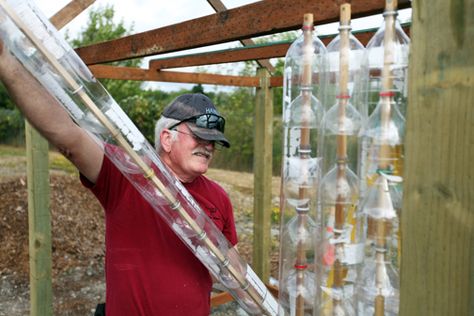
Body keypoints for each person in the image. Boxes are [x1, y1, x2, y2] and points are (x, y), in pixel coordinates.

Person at [0, 40, 238, 315]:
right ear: (167, 138)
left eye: (214, 142)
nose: (208, 147)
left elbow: (231, 268)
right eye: (200, 137)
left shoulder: (218, 197)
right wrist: (6, 63)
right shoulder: (128, 174)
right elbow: (68, 136)